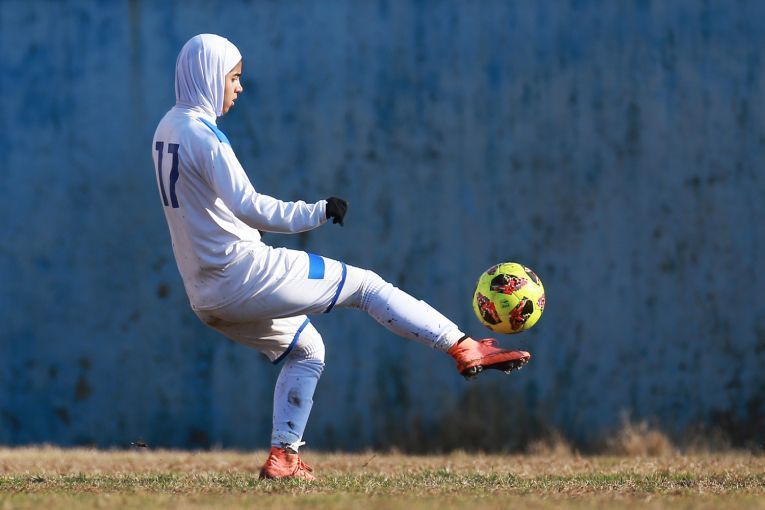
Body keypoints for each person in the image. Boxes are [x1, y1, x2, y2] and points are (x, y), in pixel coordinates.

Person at [152, 34, 531, 481]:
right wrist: (317, 210)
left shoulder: (167, 128)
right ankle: (462, 345)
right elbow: (249, 206)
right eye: (233, 77)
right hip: (246, 274)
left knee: (308, 349)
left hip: (205, 296)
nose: (239, 87)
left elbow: (207, 209)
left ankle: (283, 458)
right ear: (209, 75)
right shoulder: (206, 136)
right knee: (366, 287)